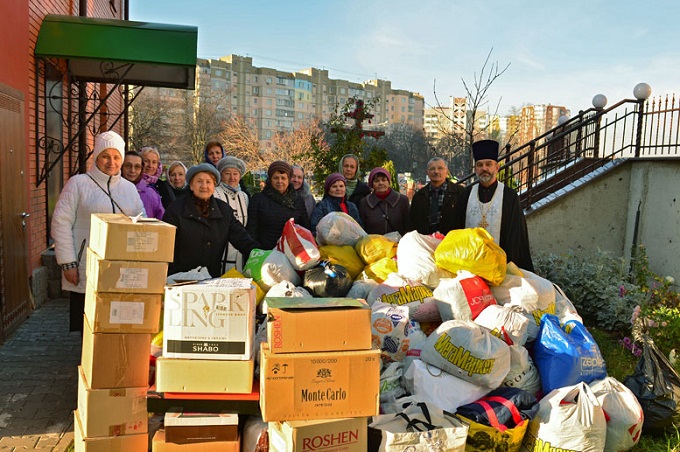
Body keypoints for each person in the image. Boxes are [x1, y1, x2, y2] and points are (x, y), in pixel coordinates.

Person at [51, 130, 144, 331]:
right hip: (86, 262)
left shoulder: (129, 188)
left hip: (121, 265)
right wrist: (68, 263)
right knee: (87, 320)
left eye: (116, 157)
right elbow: (61, 222)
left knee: (116, 317)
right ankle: (87, 359)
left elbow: (142, 222)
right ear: (96, 157)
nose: (111, 162)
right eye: (105, 156)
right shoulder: (78, 183)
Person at [163, 163, 259, 278]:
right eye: (199, 181)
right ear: (191, 186)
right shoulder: (176, 209)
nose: (204, 186)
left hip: (211, 279)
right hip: (180, 279)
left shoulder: (224, 210)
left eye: (208, 182)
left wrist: (261, 255)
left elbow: (242, 239)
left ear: (214, 186)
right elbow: (165, 246)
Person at [452, 139, 534, 271]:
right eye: (480, 165)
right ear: (475, 169)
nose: (484, 168)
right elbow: (456, 230)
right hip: (470, 266)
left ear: (497, 167)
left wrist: (509, 267)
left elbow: (516, 235)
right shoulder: (465, 195)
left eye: (488, 164)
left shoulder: (509, 196)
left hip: (500, 268)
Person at [247, 160, 310, 250]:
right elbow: (252, 229)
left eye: (283, 178)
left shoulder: (297, 201)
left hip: (291, 253)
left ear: (288, 180)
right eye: (276, 178)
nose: (279, 181)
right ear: (270, 179)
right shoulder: (258, 199)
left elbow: (304, 228)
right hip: (265, 253)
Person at [409, 157, 465, 235]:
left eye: (440, 168)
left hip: (451, 242)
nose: (436, 171)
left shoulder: (460, 193)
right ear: (427, 172)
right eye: (432, 169)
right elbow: (412, 223)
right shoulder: (419, 196)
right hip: (425, 242)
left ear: (447, 171)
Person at [214, 156, 249, 271]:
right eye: (227, 173)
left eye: (235, 174)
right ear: (221, 175)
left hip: (239, 255)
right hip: (220, 253)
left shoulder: (244, 196)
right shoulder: (215, 193)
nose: (232, 177)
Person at [359, 167, 410, 235]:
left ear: (389, 182)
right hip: (373, 244)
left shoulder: (402, 200)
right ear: (372, 184)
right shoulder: (364, 203)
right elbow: (362, 229)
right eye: (376, 181)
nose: (380, 183)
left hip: (399, 244)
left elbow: (409, 227)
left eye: (384, 180)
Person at [122, 151, 164, 220]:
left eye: (137, 167)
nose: (132, 170)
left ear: (142, 169)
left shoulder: (152, 195)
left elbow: (161, 221)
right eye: (128, 166)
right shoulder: (111, 189)